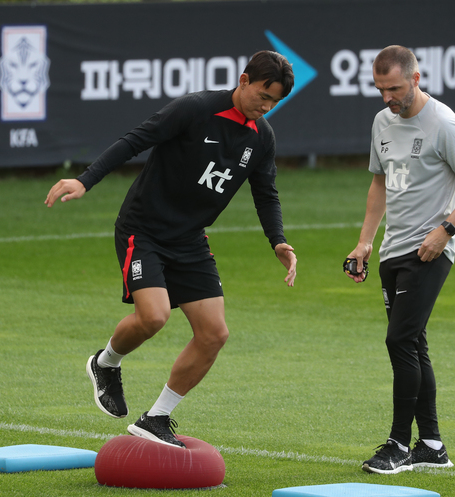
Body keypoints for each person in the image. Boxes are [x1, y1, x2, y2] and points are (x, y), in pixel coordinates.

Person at [45, 50, 297, 448]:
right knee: (154, 317)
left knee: (214, 333)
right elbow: (134, 141)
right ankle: (105, 362)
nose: (265, 106)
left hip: (190, 238)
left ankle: (156, 417)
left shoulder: (261, 137)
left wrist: (278, 241)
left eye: (274, 102)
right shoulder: (195, 109)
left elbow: (266, 194)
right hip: (143, 229)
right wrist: (85, 181)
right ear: (244, 80)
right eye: (262, 95)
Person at [345, 45, 455, 474]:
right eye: (380, 89)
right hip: (391, 251)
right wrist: (365, 242)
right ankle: (432, 445)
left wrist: (445, 231)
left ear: (416, 78)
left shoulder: (444, 123)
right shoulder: (381, 122)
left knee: (399, 340)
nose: (388, 97)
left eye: (395, 88)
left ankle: (397, 445)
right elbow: (379, 184)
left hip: (427, 252)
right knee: (414, 343)